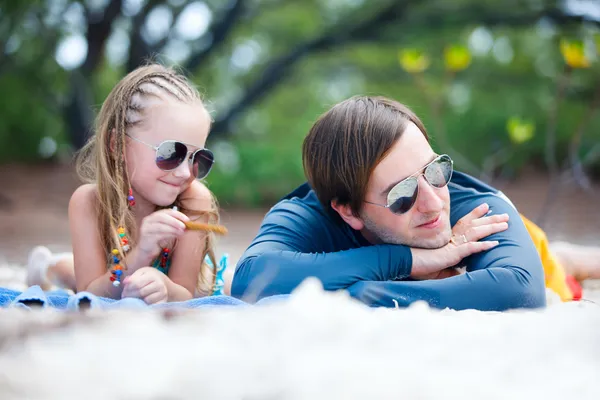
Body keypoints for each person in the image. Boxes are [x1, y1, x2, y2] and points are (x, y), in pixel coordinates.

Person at [231, 96, 592, 311]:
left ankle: (571, 258)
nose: (434, 202)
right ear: (348, 210)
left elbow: (520, 290)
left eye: (435, 171)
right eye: (402, 194)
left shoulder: (477, 207)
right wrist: (414, 262)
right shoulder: (305, 214)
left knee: (558, 266)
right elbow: (250, 278)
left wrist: (366, 291)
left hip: (531, 252)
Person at [26, 63, 232, 303]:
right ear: (118, 146)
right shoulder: (90, 202)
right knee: (72, 274)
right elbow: (91, 294)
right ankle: (47, 268)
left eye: (198, 158)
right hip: (112, 273)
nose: (185, 172)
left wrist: (165, 287)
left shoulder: (192, 200)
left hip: (198, 280)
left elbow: (184, 294)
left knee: (227, 282)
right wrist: (141, 254)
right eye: (171, 153)